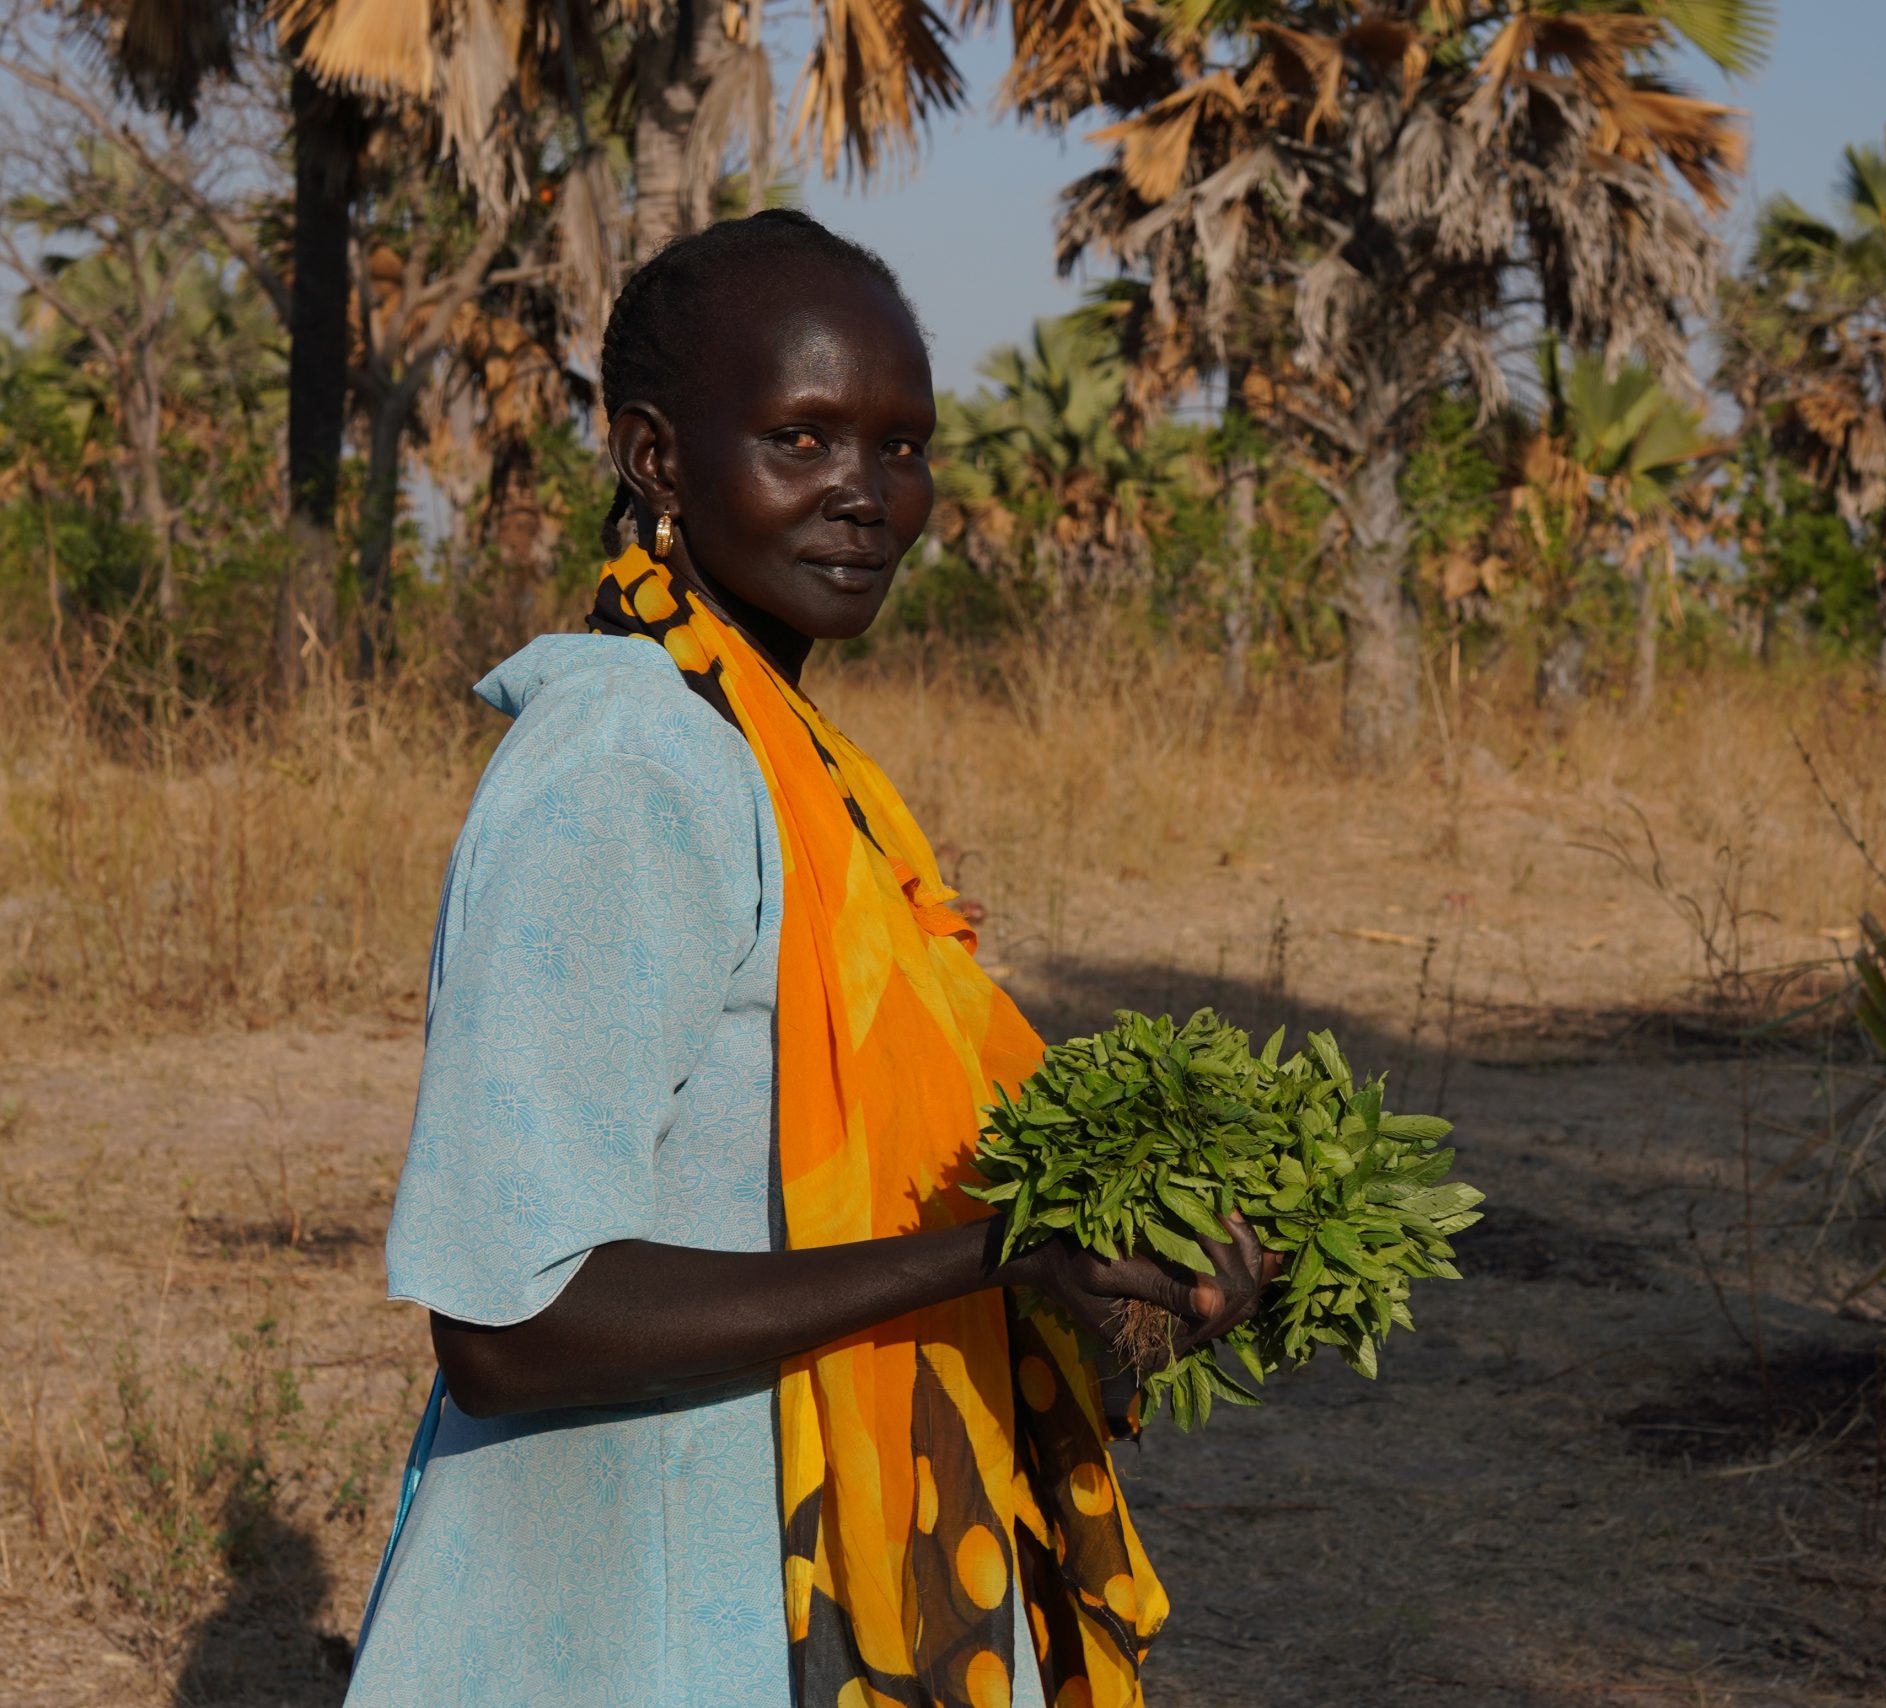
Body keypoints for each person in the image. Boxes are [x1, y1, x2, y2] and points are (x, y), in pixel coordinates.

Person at [345, 209, 1272, 1708]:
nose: (869, 496)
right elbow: (510, 1324)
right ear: (655, 458)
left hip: (806, 1574)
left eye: (902, 448)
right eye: (803, 438)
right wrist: (994, 1254)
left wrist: (1141, 1272)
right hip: (641, 1611)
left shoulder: (796, 768)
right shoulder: (625, 764)